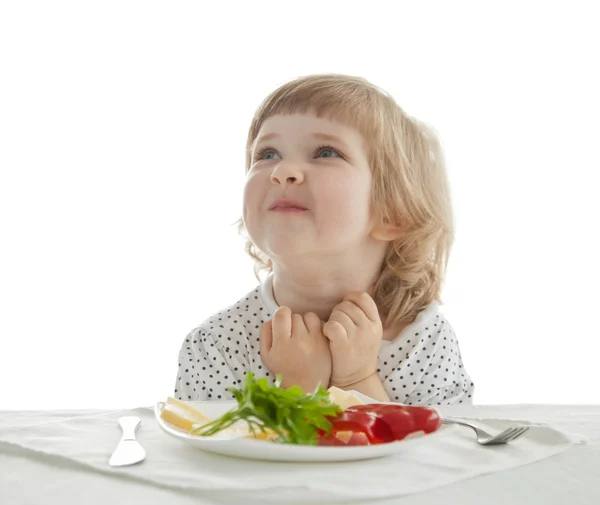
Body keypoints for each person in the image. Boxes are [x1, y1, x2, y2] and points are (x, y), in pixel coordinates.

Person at [174, 73, 474, 405]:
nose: (282, 170)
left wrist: (356, 378)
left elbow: (439, 455)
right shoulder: (216, 346)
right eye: (268, 153)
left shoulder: (423, 342)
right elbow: (211, 456)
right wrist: (299, 386)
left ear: (394, 213)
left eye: (326, 152)